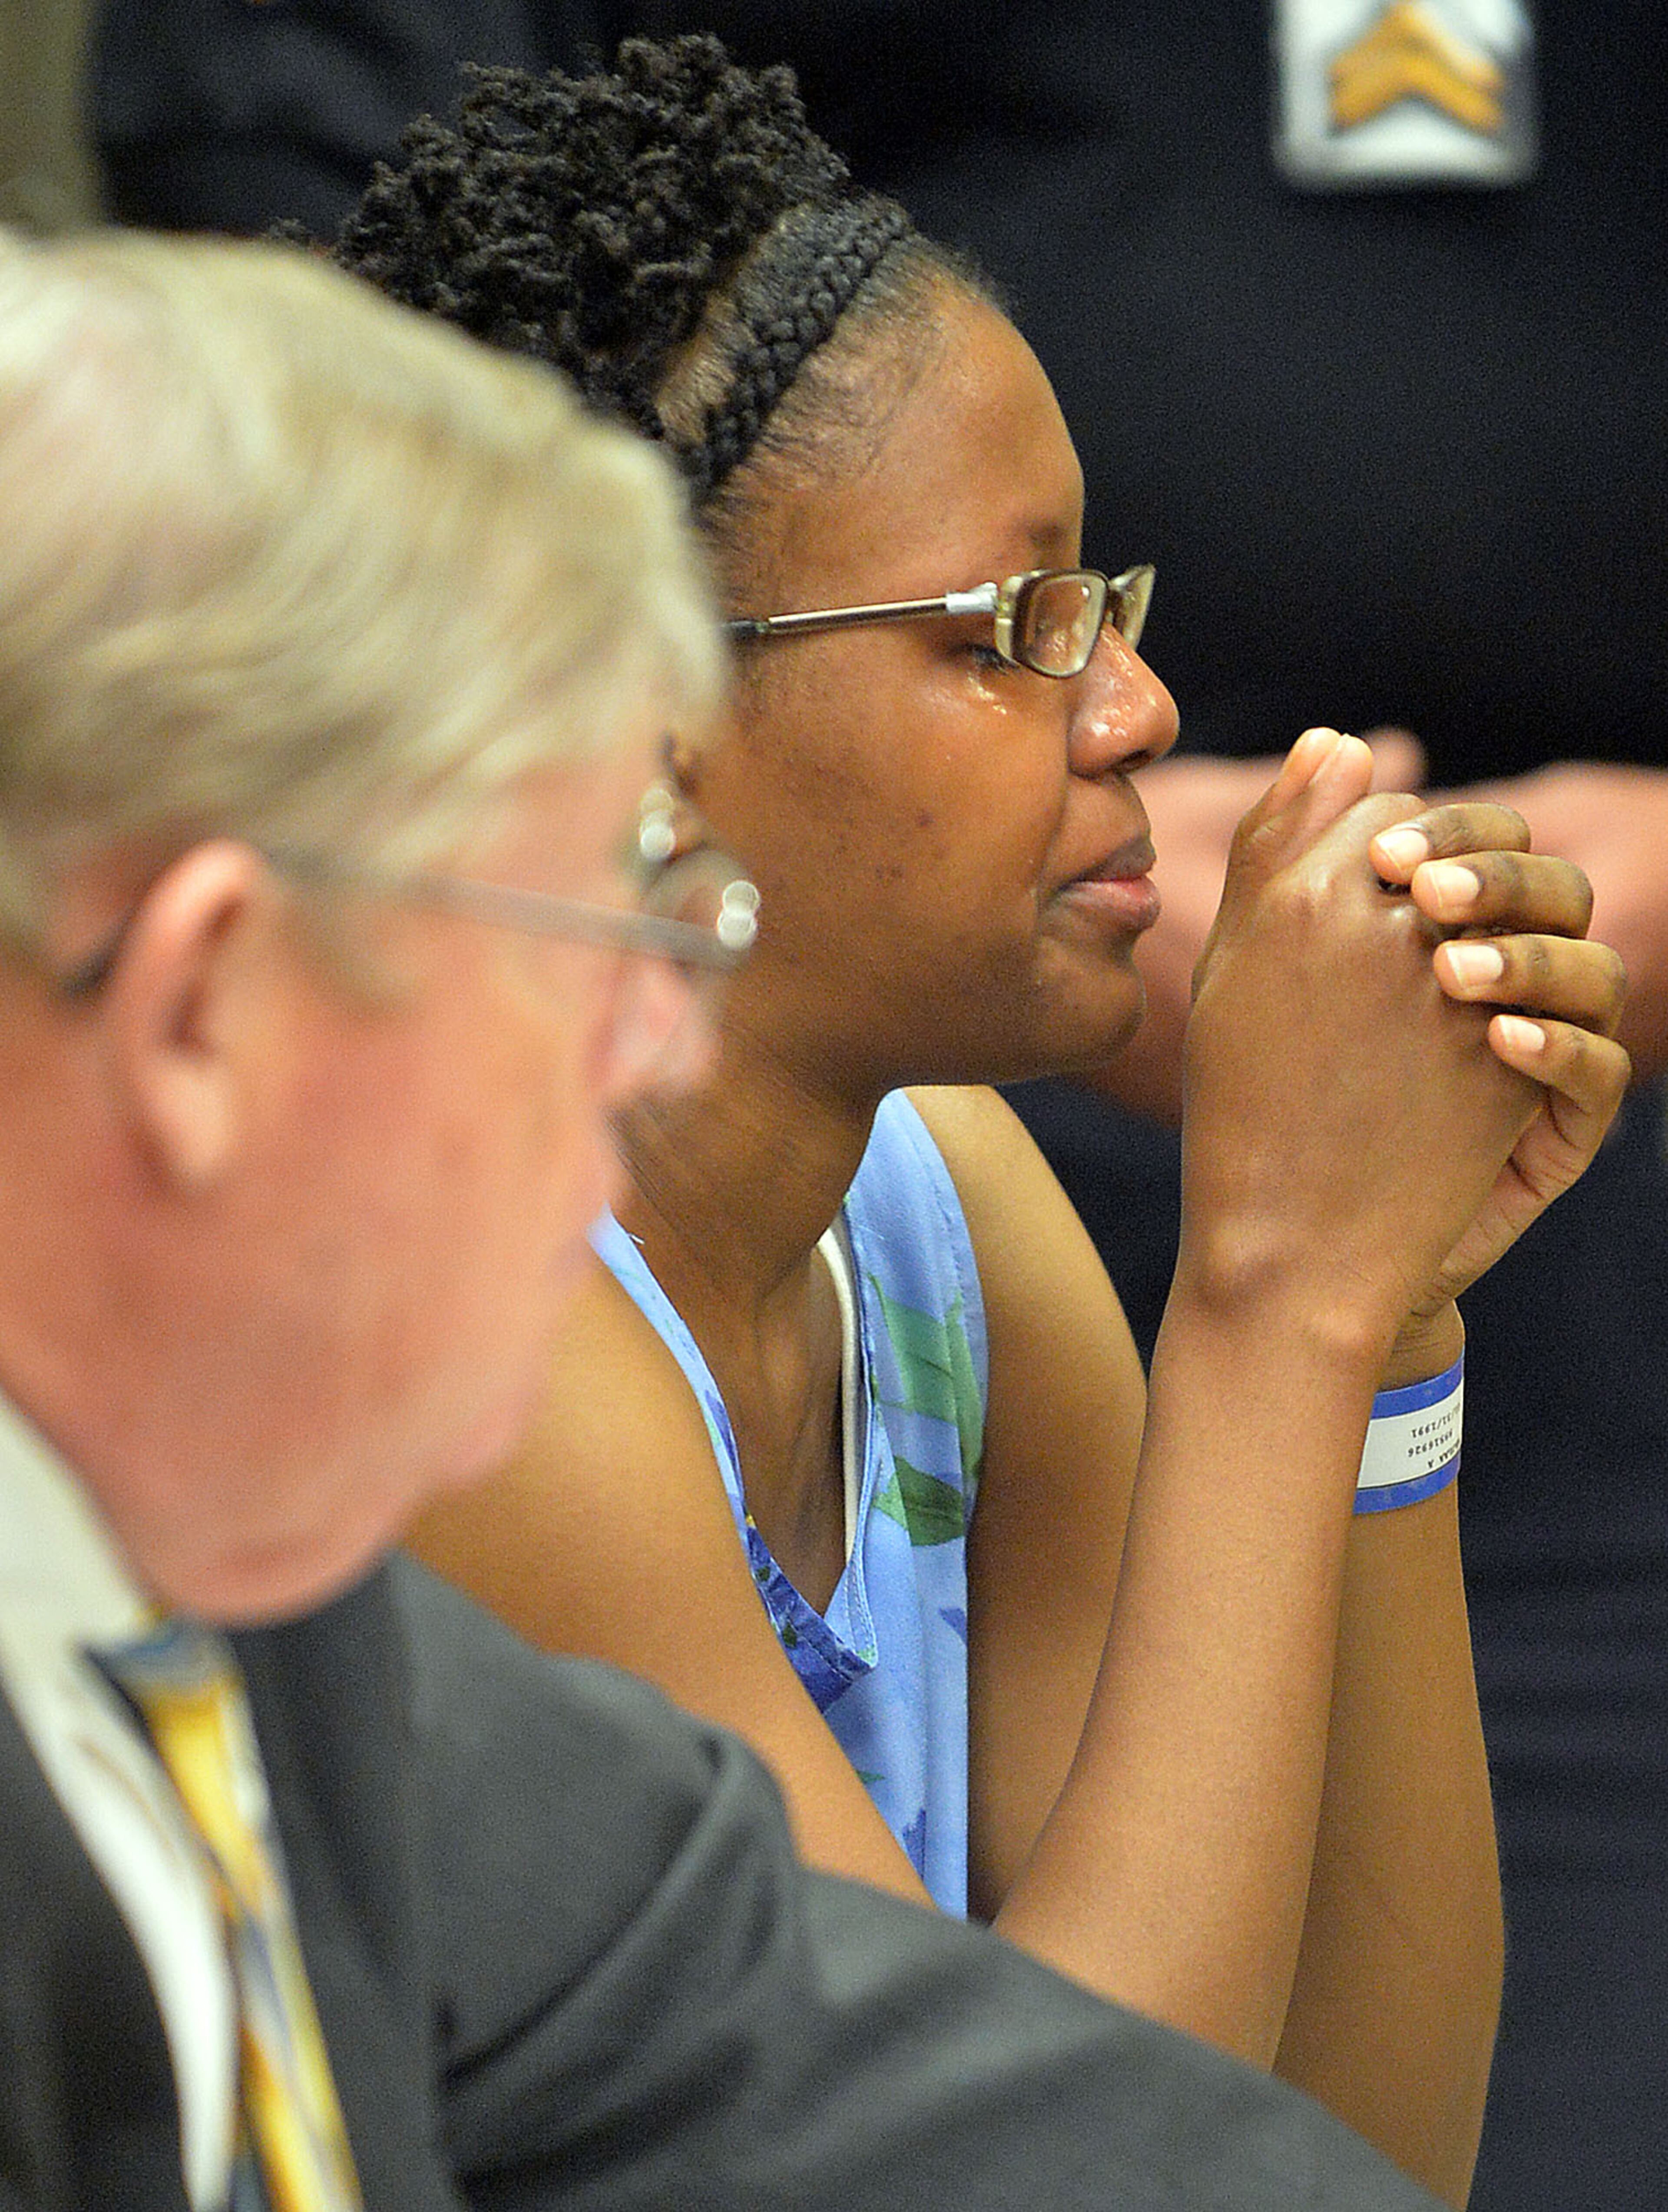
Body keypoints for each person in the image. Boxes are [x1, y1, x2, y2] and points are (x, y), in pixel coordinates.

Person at [0, 220, 1470, 2212]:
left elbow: (1180, 2151)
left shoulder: (346, 1665)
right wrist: (1286, 1289)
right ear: (195, 1007)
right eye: (584, 942)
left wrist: (1365, 1319)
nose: (639, 1064)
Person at [307, 40, 1631, 2206]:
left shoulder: (933, 1200)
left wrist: (1384, 1321)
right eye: (1018, 626)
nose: (1138, 708)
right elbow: (1051, 2176)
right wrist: (1273, 1287)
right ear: (648, 725)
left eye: (1103, 603)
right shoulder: (490, 1344)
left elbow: (1356, 2146)